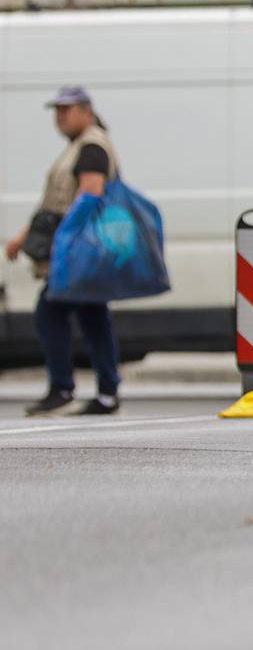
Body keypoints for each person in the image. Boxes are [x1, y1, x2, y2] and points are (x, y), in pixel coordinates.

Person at [2, 86, 124, 415]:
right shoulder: (78, 147)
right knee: (93, 315)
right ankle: (107, 393)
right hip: (78, 250)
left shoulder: (92, 147)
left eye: (67, 110)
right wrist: (23, 238)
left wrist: (65, 241)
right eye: (57, 111)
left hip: (80, 252)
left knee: (50, 313)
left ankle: (63, 387)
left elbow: (88, 196)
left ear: (87, 111)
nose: (60, 117)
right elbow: (53, 203)